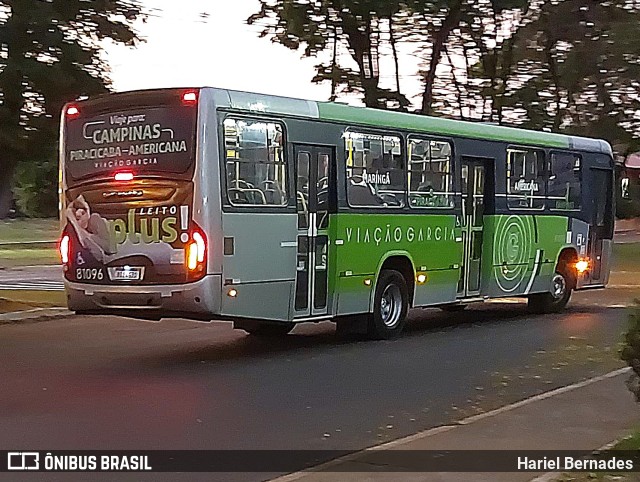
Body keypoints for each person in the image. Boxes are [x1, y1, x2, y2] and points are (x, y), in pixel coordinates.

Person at [66, 195, 114, 263]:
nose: (81, 221)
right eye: (77, 219)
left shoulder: (94, 219)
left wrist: (84, 233)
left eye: (82, 214)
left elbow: (105, 250)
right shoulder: (76, 230)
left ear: (87, 212)